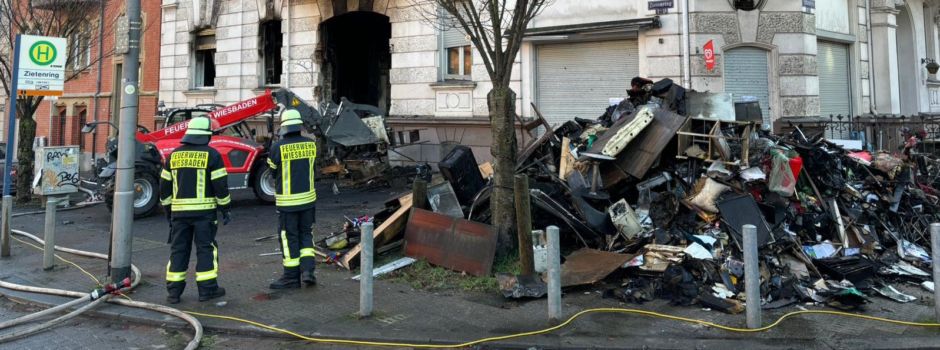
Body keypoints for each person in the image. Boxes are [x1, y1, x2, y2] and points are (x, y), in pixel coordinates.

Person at [160, 116, 232, 304]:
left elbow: (164, 188)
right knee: (206, 249)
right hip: (204, 214)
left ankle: (174, 292)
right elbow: (220, 186)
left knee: (178, 250)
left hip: (179, 215)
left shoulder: (173, 155)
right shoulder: (213, 155)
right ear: (206, 136)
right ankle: (207, 290)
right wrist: (225, 208)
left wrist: (169, 211)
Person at [267, 109, 319, 289]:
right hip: (308, 200)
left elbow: (273, 172)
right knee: (306, 235)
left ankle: (291, 277)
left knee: (289, 238)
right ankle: (308, 271)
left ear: (284, 127)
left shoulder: (276, 147)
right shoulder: (311, 144)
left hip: (288, 203)